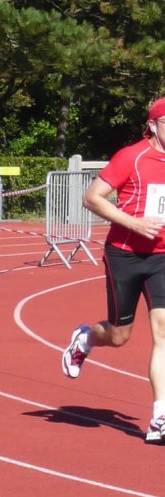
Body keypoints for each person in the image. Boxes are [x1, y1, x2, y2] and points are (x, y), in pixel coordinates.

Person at [62, 96, 165, 445]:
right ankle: (86, 338)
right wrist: (134, 223)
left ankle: (160, 417)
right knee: (120, 336)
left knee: (163, 332)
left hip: (162, 257)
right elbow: (92, 198)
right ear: (152, 125)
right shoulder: (131, 157)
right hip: (125, 254)